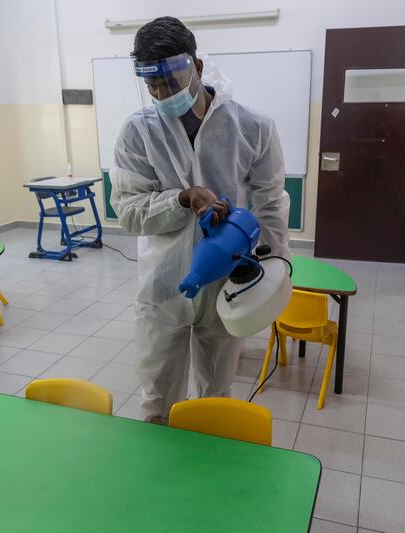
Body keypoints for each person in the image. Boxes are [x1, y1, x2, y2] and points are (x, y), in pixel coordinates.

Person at [110, 16, 290, 424]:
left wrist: (276, 266)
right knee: (158, 399)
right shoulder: (137, 133)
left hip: (226, 282)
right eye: (151, 84)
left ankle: (206, 477)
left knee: (214, 397)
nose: (161, 93)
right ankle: (158, 479)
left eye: (170, 81)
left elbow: (271, 204)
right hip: (163, 286)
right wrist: (181, 199)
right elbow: (128, 211)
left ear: (197, 67)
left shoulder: (252, 128)